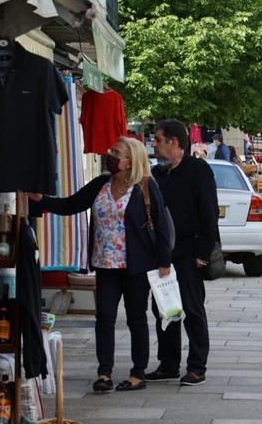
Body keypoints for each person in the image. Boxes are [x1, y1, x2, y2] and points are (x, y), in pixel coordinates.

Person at [29, 137, 173, 393]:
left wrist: (164, 261)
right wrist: (41, 199)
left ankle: (138, 373)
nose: (110, 155)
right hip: (105, 265)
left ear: (130, 161)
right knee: (104, 318)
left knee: (136, 319)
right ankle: (104, 372)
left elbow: (161, 225)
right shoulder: (101, 184)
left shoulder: (145, 186)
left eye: (116, 152)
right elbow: (70, 205)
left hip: (136, 267)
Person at [148, 119, 218, 386]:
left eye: (158, 140)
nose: (154, 145)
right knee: (164, 309)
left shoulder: (198, 169)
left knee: (192, 308)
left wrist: (203, 252)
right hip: (163, 255)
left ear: (173, 142)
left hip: (190, 252)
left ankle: (197, 367)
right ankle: (168, 364)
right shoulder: (157, 174)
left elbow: (209, 212)